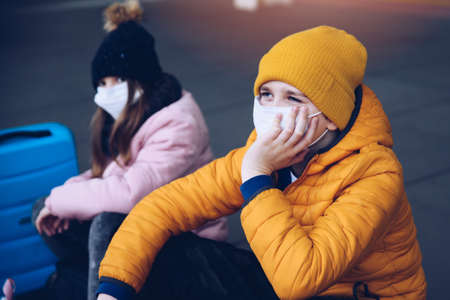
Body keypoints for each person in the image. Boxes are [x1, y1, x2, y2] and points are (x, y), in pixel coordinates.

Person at [96, 26, 426, 300]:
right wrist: (112, 290)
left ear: (332, 117)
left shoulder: (376, 175)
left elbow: (298, 280)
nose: (273, 109)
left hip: (346, 292)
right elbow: (163, 206)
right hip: (286, 275)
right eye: (266, 94)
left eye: (293, 98)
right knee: (145, 243)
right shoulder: (265, 153)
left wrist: (257, 176)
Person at [31, 1, 228, 300]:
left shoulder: (178, 125)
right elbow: (113, 174)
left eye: (119, 80)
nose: (109, 90)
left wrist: (61, 200)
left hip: (191, 247)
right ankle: (81, 277)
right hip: (147, 232)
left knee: (105, 221)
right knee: (45, 207)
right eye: (102, 83)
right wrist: (64, 196)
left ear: (142, 79)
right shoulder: (128, 117)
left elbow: (130, 194)